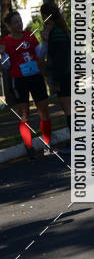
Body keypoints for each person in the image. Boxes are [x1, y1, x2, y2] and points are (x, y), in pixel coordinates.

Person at [0, 10, 54, 158]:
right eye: (16, 22)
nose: (19, 24)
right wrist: (3, 54)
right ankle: (29, 147)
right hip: (19, 80)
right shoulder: (6, 41)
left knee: (44, 111)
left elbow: (40, 54)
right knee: (24, 115)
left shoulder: (29, 35)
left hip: (35, 77)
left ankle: (47, 144)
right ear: (10, 26)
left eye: (20, 21)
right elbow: (6, 66)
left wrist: (45, 41)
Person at [40, 2, 71, 150]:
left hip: (63, 75)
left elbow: (58, 58)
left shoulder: (56, 32)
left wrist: (56, 80)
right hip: (66, 73)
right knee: (69, 108)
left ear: (46, 17)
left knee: (68, 109)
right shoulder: (61, 29)